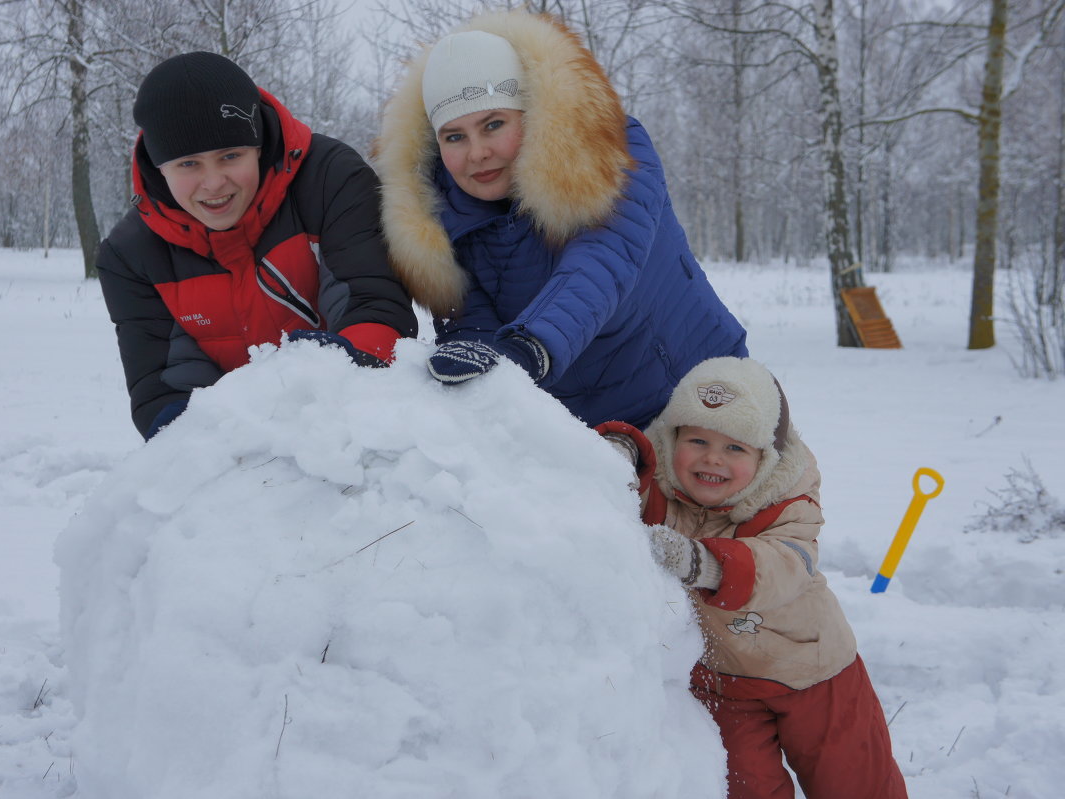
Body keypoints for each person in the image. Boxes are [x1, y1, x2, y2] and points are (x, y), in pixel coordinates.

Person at [375, 11, 747, 429]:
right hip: (588, 435)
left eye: (493, 124)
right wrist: (473, 357)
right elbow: (473, 321)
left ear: (530, 114)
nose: (476, 152)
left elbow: (600, 263)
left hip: (695, 402)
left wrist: (530, 346)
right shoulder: (442, 215)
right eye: (455, 136)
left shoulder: (610, 148)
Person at [598, 357, 907, 799]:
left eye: (735, 448)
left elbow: (786, 564)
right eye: (698, 439)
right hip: (722, 687)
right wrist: (617, 455)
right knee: (743, 790)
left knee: (855, 783)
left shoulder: (788, 502)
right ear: (672, 439)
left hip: (814, 671)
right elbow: (622, 487)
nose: (712, 459)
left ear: (765, 456)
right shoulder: (664, 490)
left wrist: (706, 563)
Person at [97, 51, 418, 439]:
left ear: (259, 146)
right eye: (188, 164)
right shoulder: (131, 255)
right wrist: (196, 447)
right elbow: (162, 388)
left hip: (345, 419)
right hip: (233, 449)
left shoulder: (329, 181)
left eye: (230, 155)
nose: (213, 183)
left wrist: (325, 380)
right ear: (158, 166)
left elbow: (374, 307)